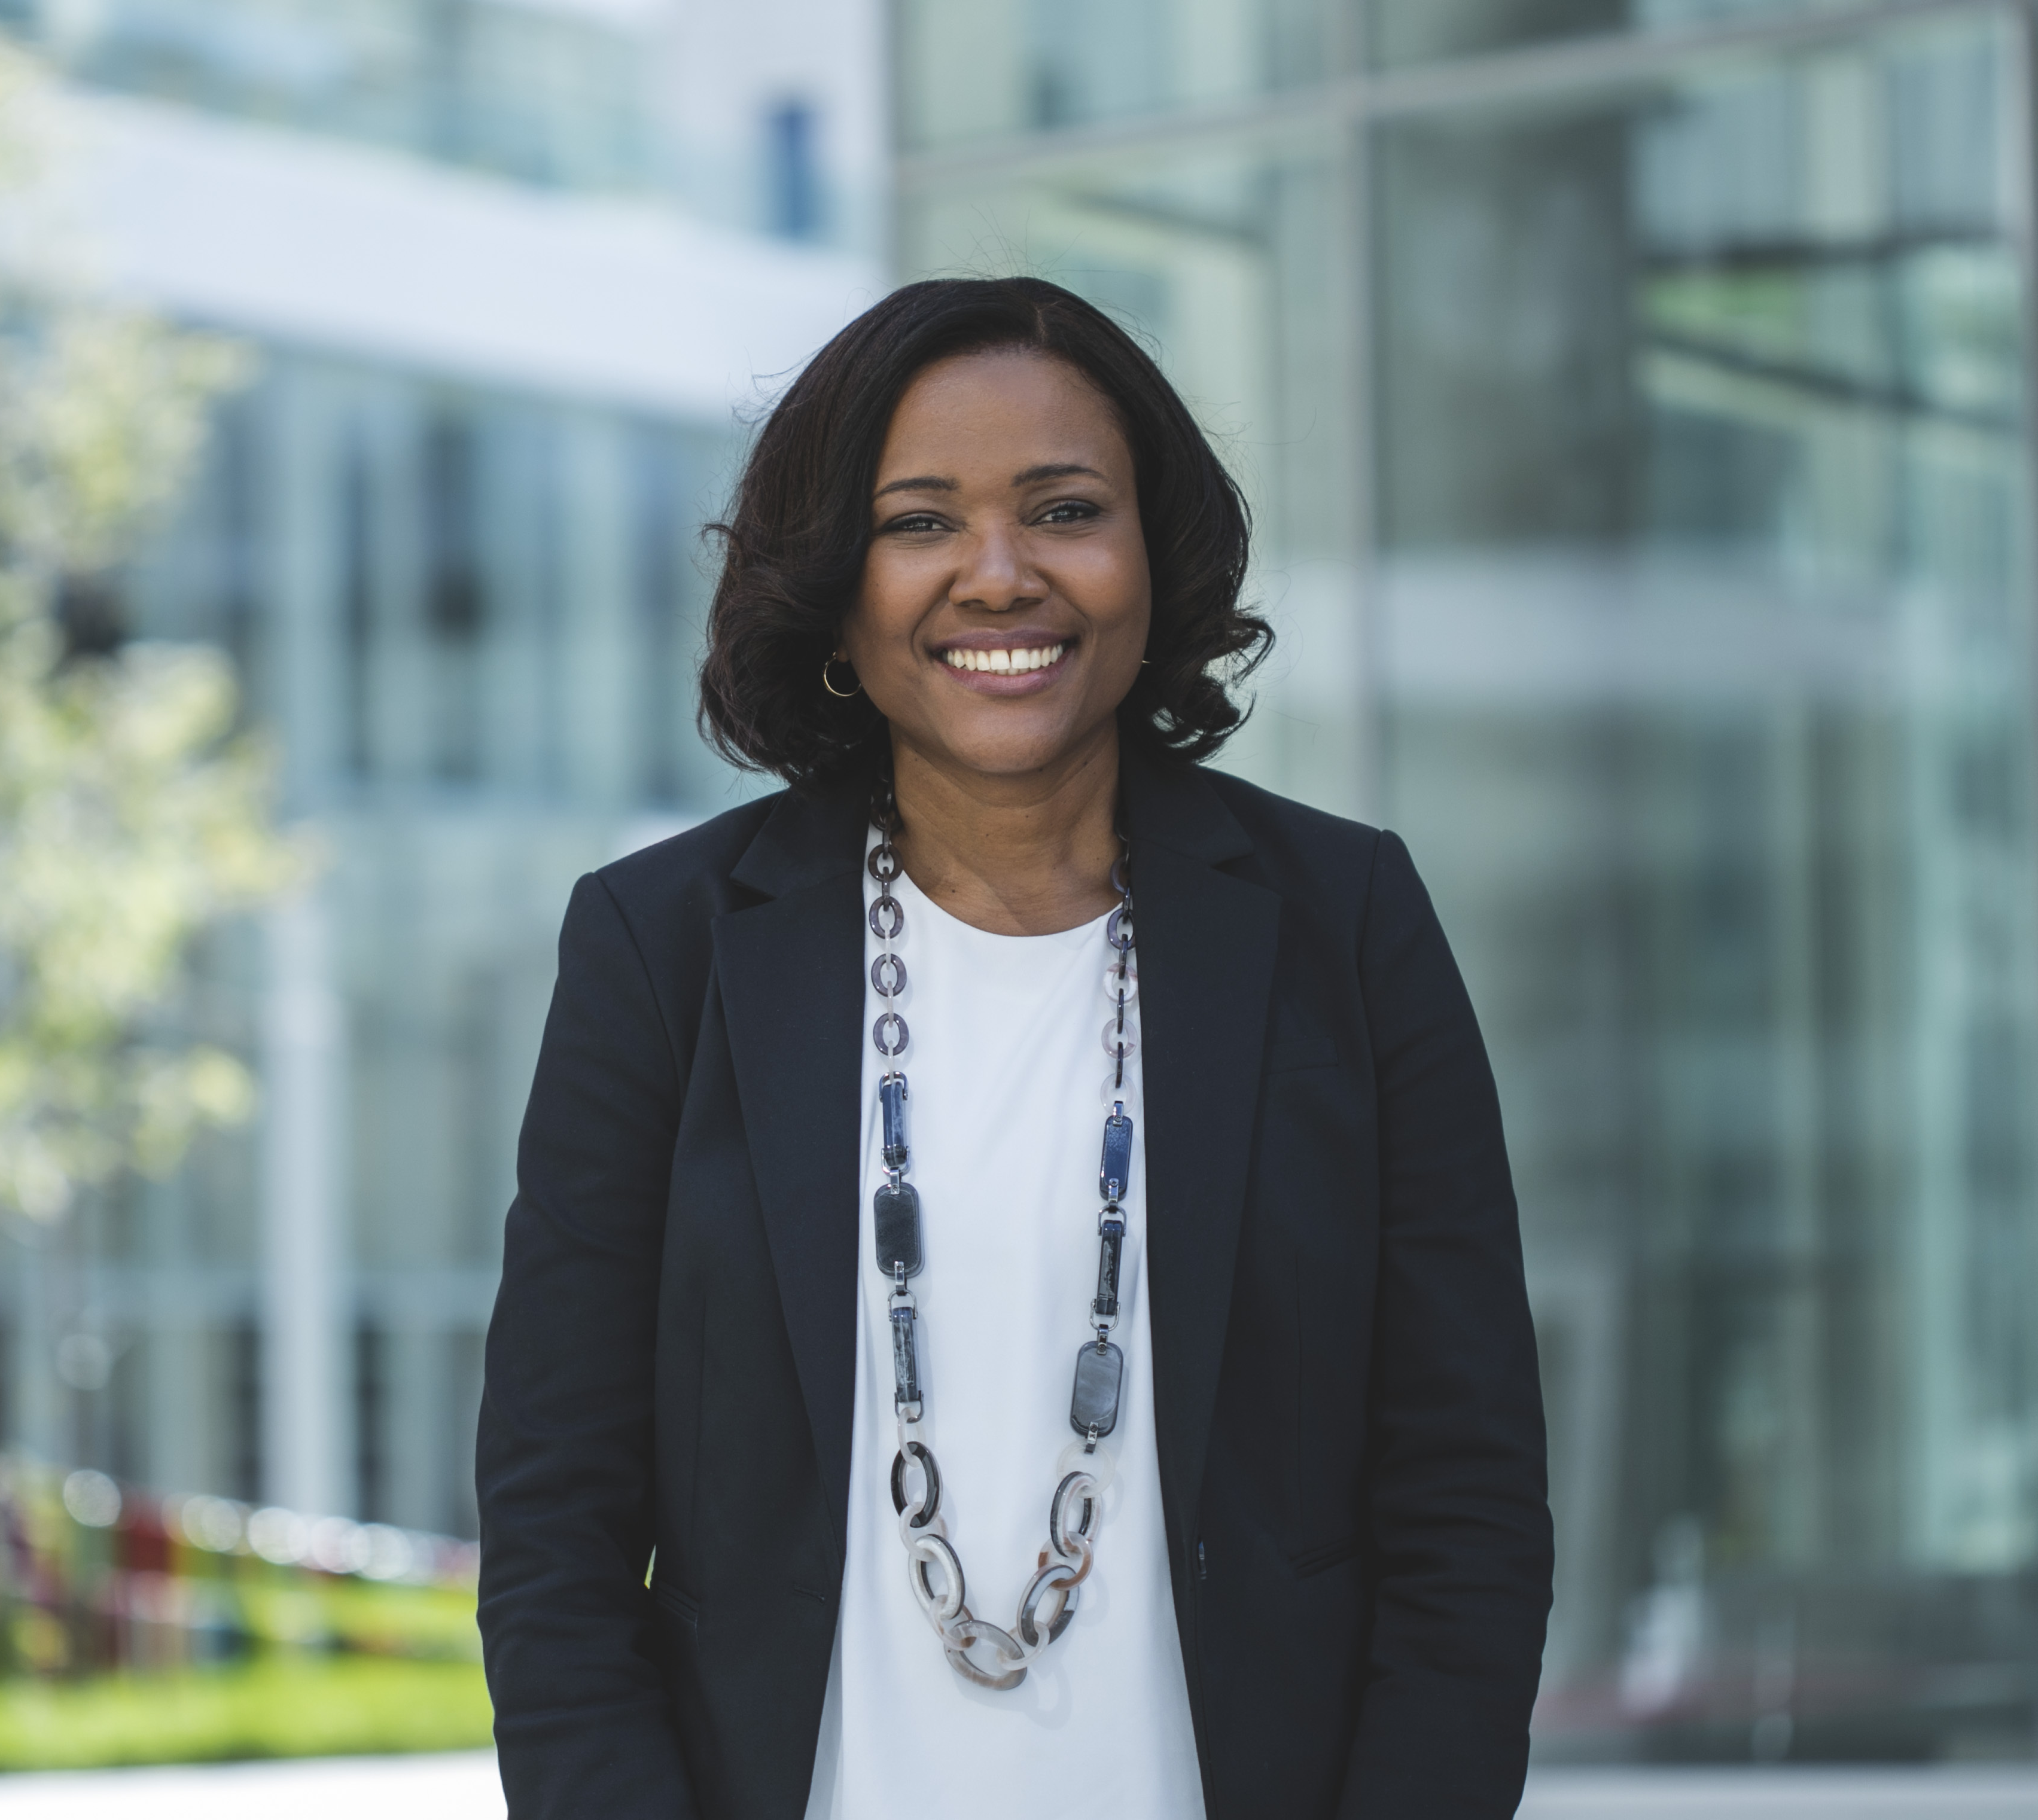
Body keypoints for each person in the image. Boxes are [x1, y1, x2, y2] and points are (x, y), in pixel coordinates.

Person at [476, 276, 1552, 1820]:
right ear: (834, 583)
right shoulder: (665, 946)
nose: (996, 574)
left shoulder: (1343, 916)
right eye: (918, 521)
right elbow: (554, 1520)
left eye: (1061, 509)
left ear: (1149, 559)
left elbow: (1464, 1491)